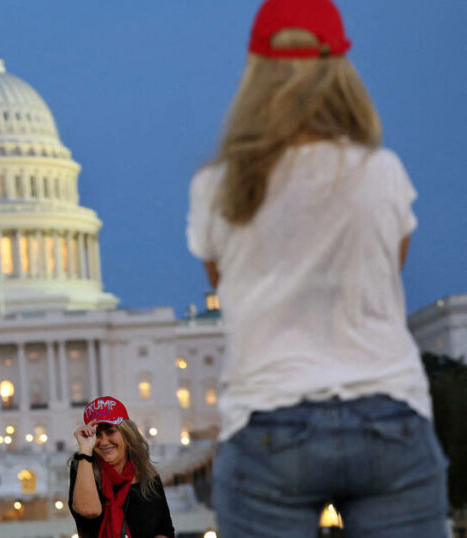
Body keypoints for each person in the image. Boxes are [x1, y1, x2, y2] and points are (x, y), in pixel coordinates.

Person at [185, 0, 450, 536]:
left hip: (266, 422)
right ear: (340, 71)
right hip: (388, 414)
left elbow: (224, 287)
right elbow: (388, 273)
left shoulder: (218, 186)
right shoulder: (382, 173)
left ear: (254, 73)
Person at [69, 396, 174, 538]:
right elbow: (89, 510)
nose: (104, 441)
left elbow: (165, 530)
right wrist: (85, 451)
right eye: (97, 434)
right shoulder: (83, 466)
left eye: (110, 431)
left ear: (127, 433)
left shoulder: (146, 473)